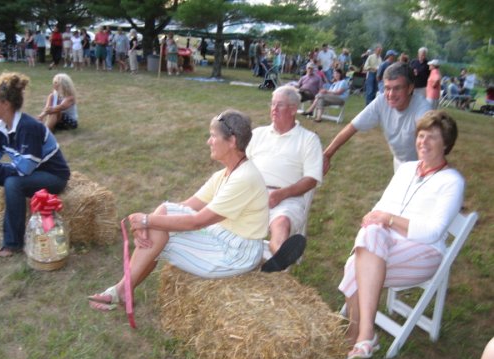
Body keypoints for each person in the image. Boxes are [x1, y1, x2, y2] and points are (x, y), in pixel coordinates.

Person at [88, 109, 269, 311]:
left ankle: (120, 292)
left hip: (237, 253)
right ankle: (122, 292)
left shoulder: (244, 178)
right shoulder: (225, 174)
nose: (208, 142)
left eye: (213, 136)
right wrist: (148, 223)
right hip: (223, 237)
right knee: (163, 218)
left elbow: (197, 222)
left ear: (232, 141)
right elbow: (184, 207)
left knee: (159, 237)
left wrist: (147, 222)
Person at [338, 110, 464, 359]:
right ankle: (363, 338)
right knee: (369, 239)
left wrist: (389, 219)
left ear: (446, 144)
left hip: (425, 253)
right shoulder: (406, 169)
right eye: (421, 135)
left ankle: (359, 334)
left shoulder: (452, 181)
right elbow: (382, 206)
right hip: (385, 246)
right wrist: (374, 217)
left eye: (432, 137)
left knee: (358, 261)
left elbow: (433, 232)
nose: (423, 142)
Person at [0, 72, 70, 257]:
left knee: (13, 183)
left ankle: (13, 244)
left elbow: (23, 170)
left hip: (53, 177)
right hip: (30, 172)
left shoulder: (29, 127)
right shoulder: (1, 126)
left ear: (6, 104)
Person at [246, 86, 323, 272]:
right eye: (272, 104)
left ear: (293, 109)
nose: (273, 109)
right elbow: (241, 165)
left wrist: (282, 194)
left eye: (279, 105)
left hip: (287, 197)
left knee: (281, 223)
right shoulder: (258, 134)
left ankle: (279, 256)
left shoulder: (308, 139)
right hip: (252, 193)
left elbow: (311, 179)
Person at [323, 62, 431, 174]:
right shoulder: (381, 101)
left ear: (410, 88)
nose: (391, 94)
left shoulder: (423, 109)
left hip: (424, 165)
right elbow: (352, 127)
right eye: (387, 88)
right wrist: (327, 155)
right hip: (400, 164)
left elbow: (430, 141)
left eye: (397, 88)